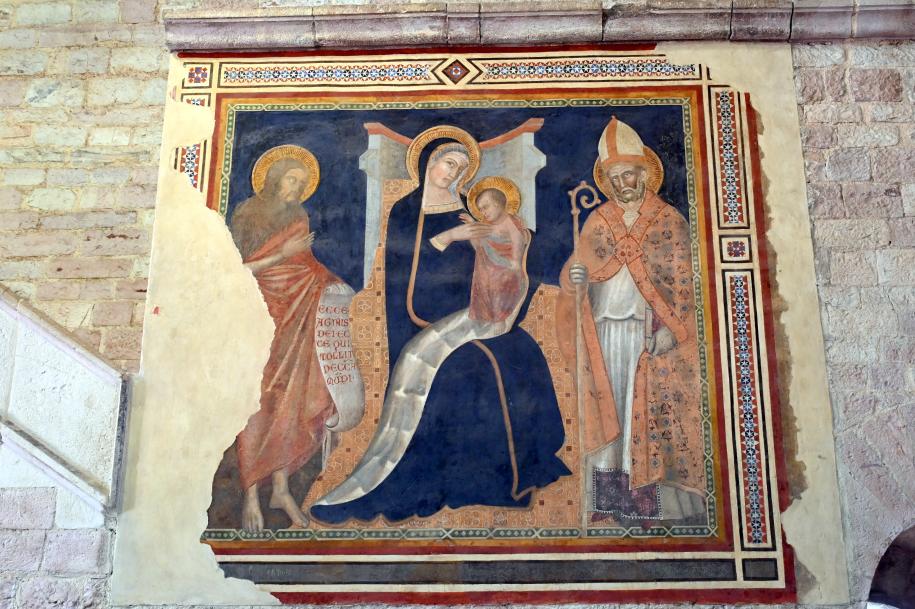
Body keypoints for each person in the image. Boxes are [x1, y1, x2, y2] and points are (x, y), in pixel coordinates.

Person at [311, 129, 569, 524]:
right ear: (429, 162)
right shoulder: (406, 210)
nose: (454, 173)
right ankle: (437, 476)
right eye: (449, 163)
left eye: (462, 168)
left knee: (520, 355)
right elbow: (404, 268)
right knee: (467, 367)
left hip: (475, 311)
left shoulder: (470, 209)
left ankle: (501, 477)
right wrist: (449, 236)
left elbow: (500, 253)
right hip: (421, 319)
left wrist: (525, 247)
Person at [556, 117, 706, 524]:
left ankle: (649, 505)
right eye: (615, 177)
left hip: (646, 335)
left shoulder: (668, 221)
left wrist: (672, 332)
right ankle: (608, 503)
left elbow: (684, 284)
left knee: (643, 415)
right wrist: (575, 279)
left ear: (644, 173)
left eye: (629, 174)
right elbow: (579, 271)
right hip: (605, 331)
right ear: (607, 181)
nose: (623, 183)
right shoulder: (599, 220)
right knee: (611, 414)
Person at [229, 146, 343, 531]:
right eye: (292, 180)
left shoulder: (298, 216)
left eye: (302, 183)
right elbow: (237, 269)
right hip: (260, 313)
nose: (296, 188)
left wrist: (332, 282)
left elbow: (305, 265)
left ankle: (280, 488)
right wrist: (283, 255)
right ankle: (250, 494)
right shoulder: (247, 214)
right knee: (258, 401)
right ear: (274, 179)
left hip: (296, 317)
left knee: (291, 398)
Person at [457, 181, 528, 324]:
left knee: (498, 284)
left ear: (498, 204)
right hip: (488, 269)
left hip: (506, 267)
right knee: (484, 283)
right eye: (480, 210)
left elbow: (518, 240)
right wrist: (472, 226)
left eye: (485, 207)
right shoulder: (487, 224)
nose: (483, 212)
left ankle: (499, 318)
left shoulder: (509, 220)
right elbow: (479, 246)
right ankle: (485, 316)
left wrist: (515, 261)